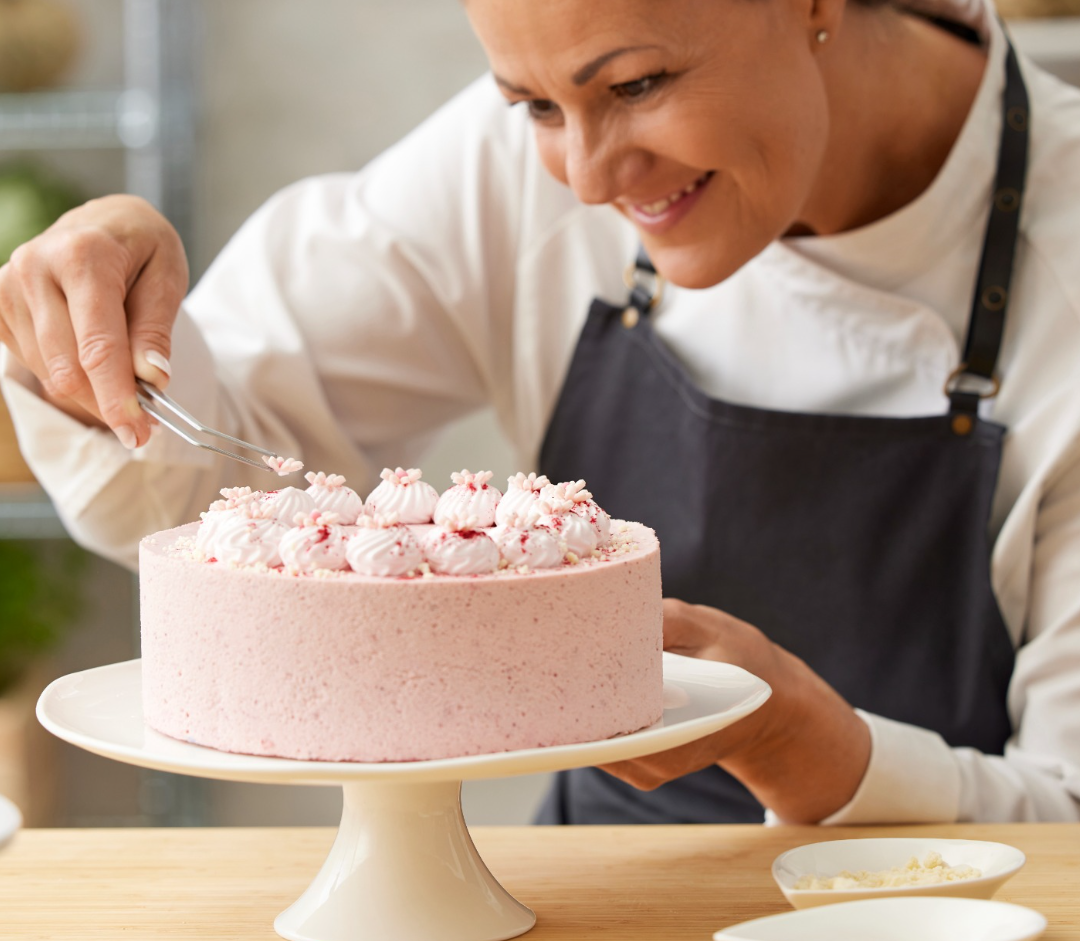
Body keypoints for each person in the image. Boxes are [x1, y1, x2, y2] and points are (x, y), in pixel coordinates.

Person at [1, 0, 1079, 826]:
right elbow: (200, 493)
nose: (592, 177)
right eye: (536, 107)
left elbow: (1066, 822)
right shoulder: (515, 160)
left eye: (643, 84)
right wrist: (104, 304)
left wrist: (798, 737)